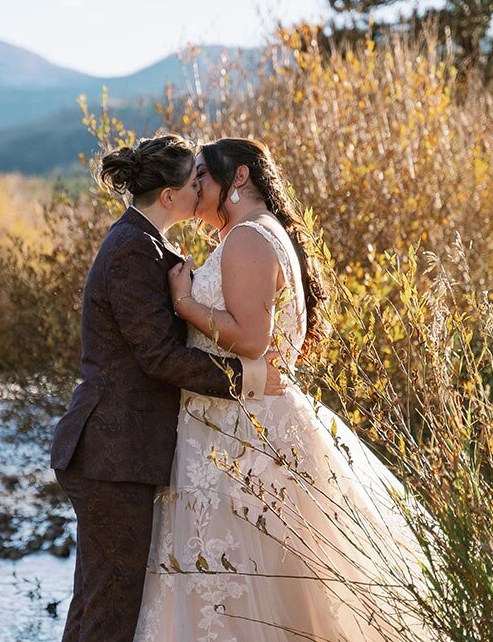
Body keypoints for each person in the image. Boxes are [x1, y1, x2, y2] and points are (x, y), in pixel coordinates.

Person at [134, 138, 432, 642]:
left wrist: (184, 303)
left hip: (241, 435)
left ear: (241, 177)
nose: (195, 184)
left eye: (204, 173)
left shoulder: (249, 237)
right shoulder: (250, 235)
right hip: (235, 426)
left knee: (249, 586)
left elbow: (251, 338)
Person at [49, 134, 287, 642]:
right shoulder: (132, 251)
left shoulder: (151, 246)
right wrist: (247, 378)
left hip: (126, 454)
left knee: (103, 602)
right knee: (107, 610)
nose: (201, 189)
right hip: (111, 452)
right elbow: (157, 357)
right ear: (170, 197)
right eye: (194, 181)